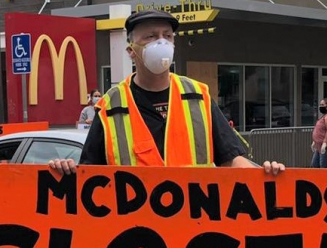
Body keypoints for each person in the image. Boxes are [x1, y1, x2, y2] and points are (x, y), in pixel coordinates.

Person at [50, 9, 283, 175]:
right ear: (131, 51)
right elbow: (90, 173)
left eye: (167, 36)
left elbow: (231, 159)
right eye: (151, 37)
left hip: (192, 229)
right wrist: (65, 171)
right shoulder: (111, 106)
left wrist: (264, 174)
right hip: (136, 231)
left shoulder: (197, 96)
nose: (161, 42)